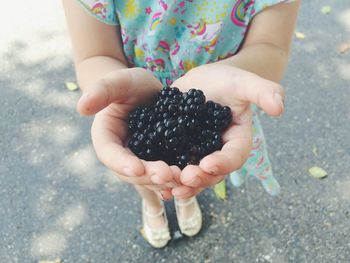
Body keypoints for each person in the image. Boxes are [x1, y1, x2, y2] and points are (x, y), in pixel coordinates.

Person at [62, 0, 300, 248]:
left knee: (193, 171)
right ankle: (153, 204)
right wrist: (110, 87)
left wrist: (234, 76)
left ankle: (185, 198)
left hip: (220, 91)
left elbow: (271, 47)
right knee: (144, 172)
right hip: (136, 93)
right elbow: (95, 55)